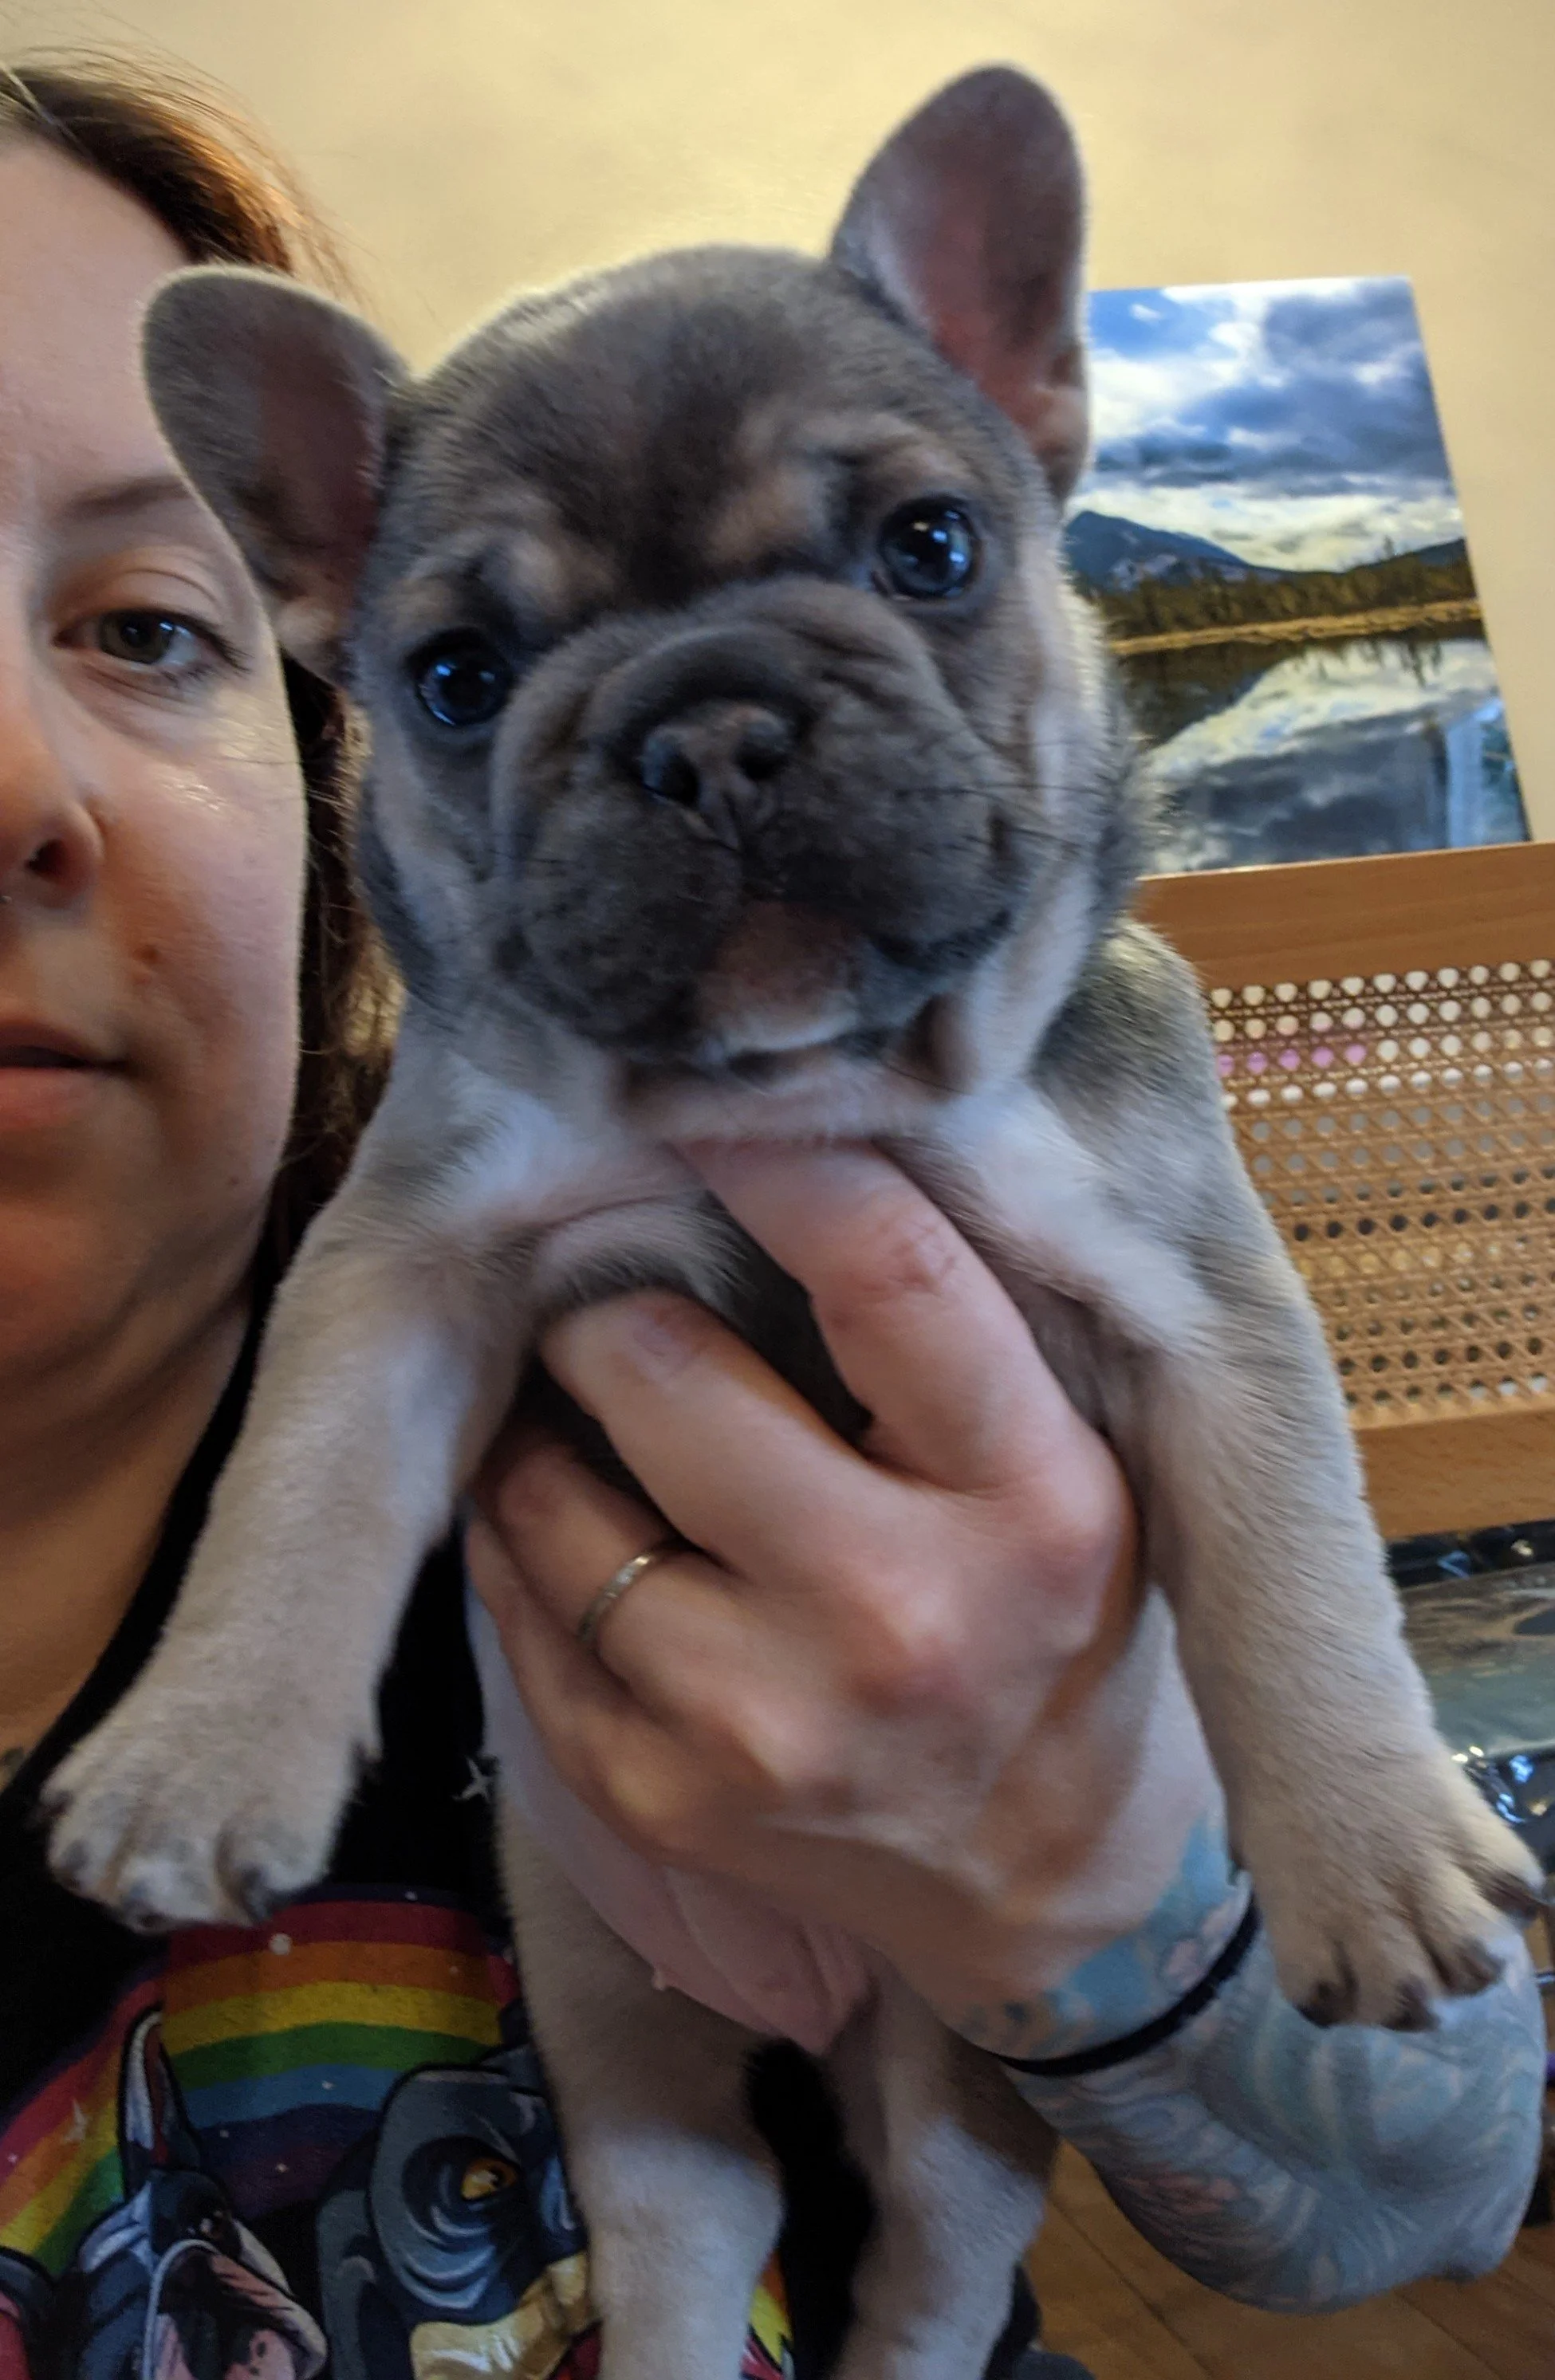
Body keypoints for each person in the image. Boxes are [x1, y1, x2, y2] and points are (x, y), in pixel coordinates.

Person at [0, 49, 1542, 2380]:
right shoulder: (450, 1186)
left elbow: (1432, 2181)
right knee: (667, 2187)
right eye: (477, 665)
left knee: (926, 2223)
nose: (712, 745)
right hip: (619, 2007)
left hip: (954, 2097)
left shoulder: (1093, 1047)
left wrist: (1095, 1874)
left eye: (137, 624)